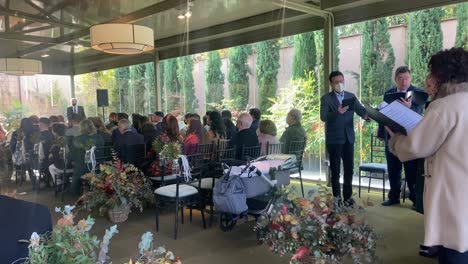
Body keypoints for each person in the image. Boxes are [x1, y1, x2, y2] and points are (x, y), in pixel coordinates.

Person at [387, 48, 468, 264]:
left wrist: (395, 140)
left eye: (432, 73)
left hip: (452, 189)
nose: (428, 79)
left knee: (453, 248)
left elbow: (415, 146)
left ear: (443, 75)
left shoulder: (446, 106)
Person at [378, 66, 425, 207]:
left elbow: (420, 114)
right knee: (393, 168)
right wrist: (381, 132)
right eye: (400, 78)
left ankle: (415, 199)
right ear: (396, 79)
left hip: (409, 138)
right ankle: (393, 197)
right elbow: (383, 112)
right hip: (391, 137)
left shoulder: (418, 93)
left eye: (406, 78)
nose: (404, 81)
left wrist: (410, 107)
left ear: (410, 78)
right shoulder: (389, 92)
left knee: (411, 170)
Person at [320, 71, 368, 205]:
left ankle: (347, 198)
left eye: (341, 81)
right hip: (334, 140)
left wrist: (366, 115)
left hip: (349, 138)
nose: (339, 84)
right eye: (336, 82)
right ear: (331, 84)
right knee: (335, 171)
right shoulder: (326, 98)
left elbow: (360, 110)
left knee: (349, 169)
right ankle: (337, 199)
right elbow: (323, 117)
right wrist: (337, 112)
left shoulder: (350, 96)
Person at [71, 119, 103, 195]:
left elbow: (72, 155)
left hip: (83, 168)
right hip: (98, 165)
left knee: (77, 164)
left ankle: (75, 191)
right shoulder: (99, 138)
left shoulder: (77, 139)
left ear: (81, 128)